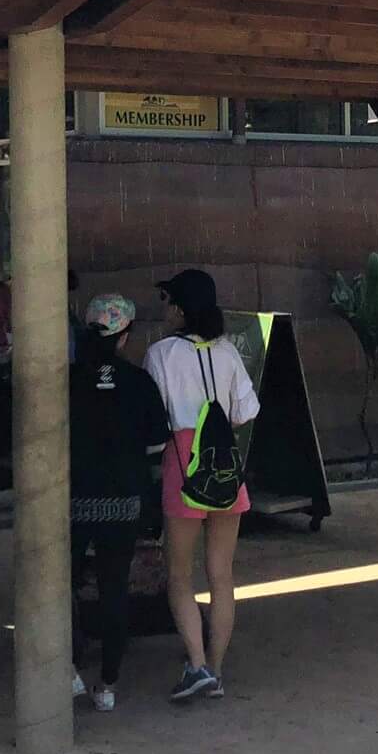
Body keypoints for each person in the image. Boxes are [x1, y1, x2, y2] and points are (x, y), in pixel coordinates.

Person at [143, 267, 258, 702]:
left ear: (179, 308)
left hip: (184, 466)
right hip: (226, 466)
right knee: (222, 575)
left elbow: (155, 418)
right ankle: (217, 668)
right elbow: (247, 410)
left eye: (167, 301)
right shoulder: (228, 352)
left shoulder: (161, 354)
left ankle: (195, 666)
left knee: (178, 574)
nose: (164, 308)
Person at [68, 294, 168, 714]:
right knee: (114, 587)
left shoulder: (68, 378)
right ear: (124, 336)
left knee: (61, 585)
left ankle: (66, 670)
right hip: (123, 497)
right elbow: (157, 441)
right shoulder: (138, 381)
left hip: (72, 496)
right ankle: (107, 684)